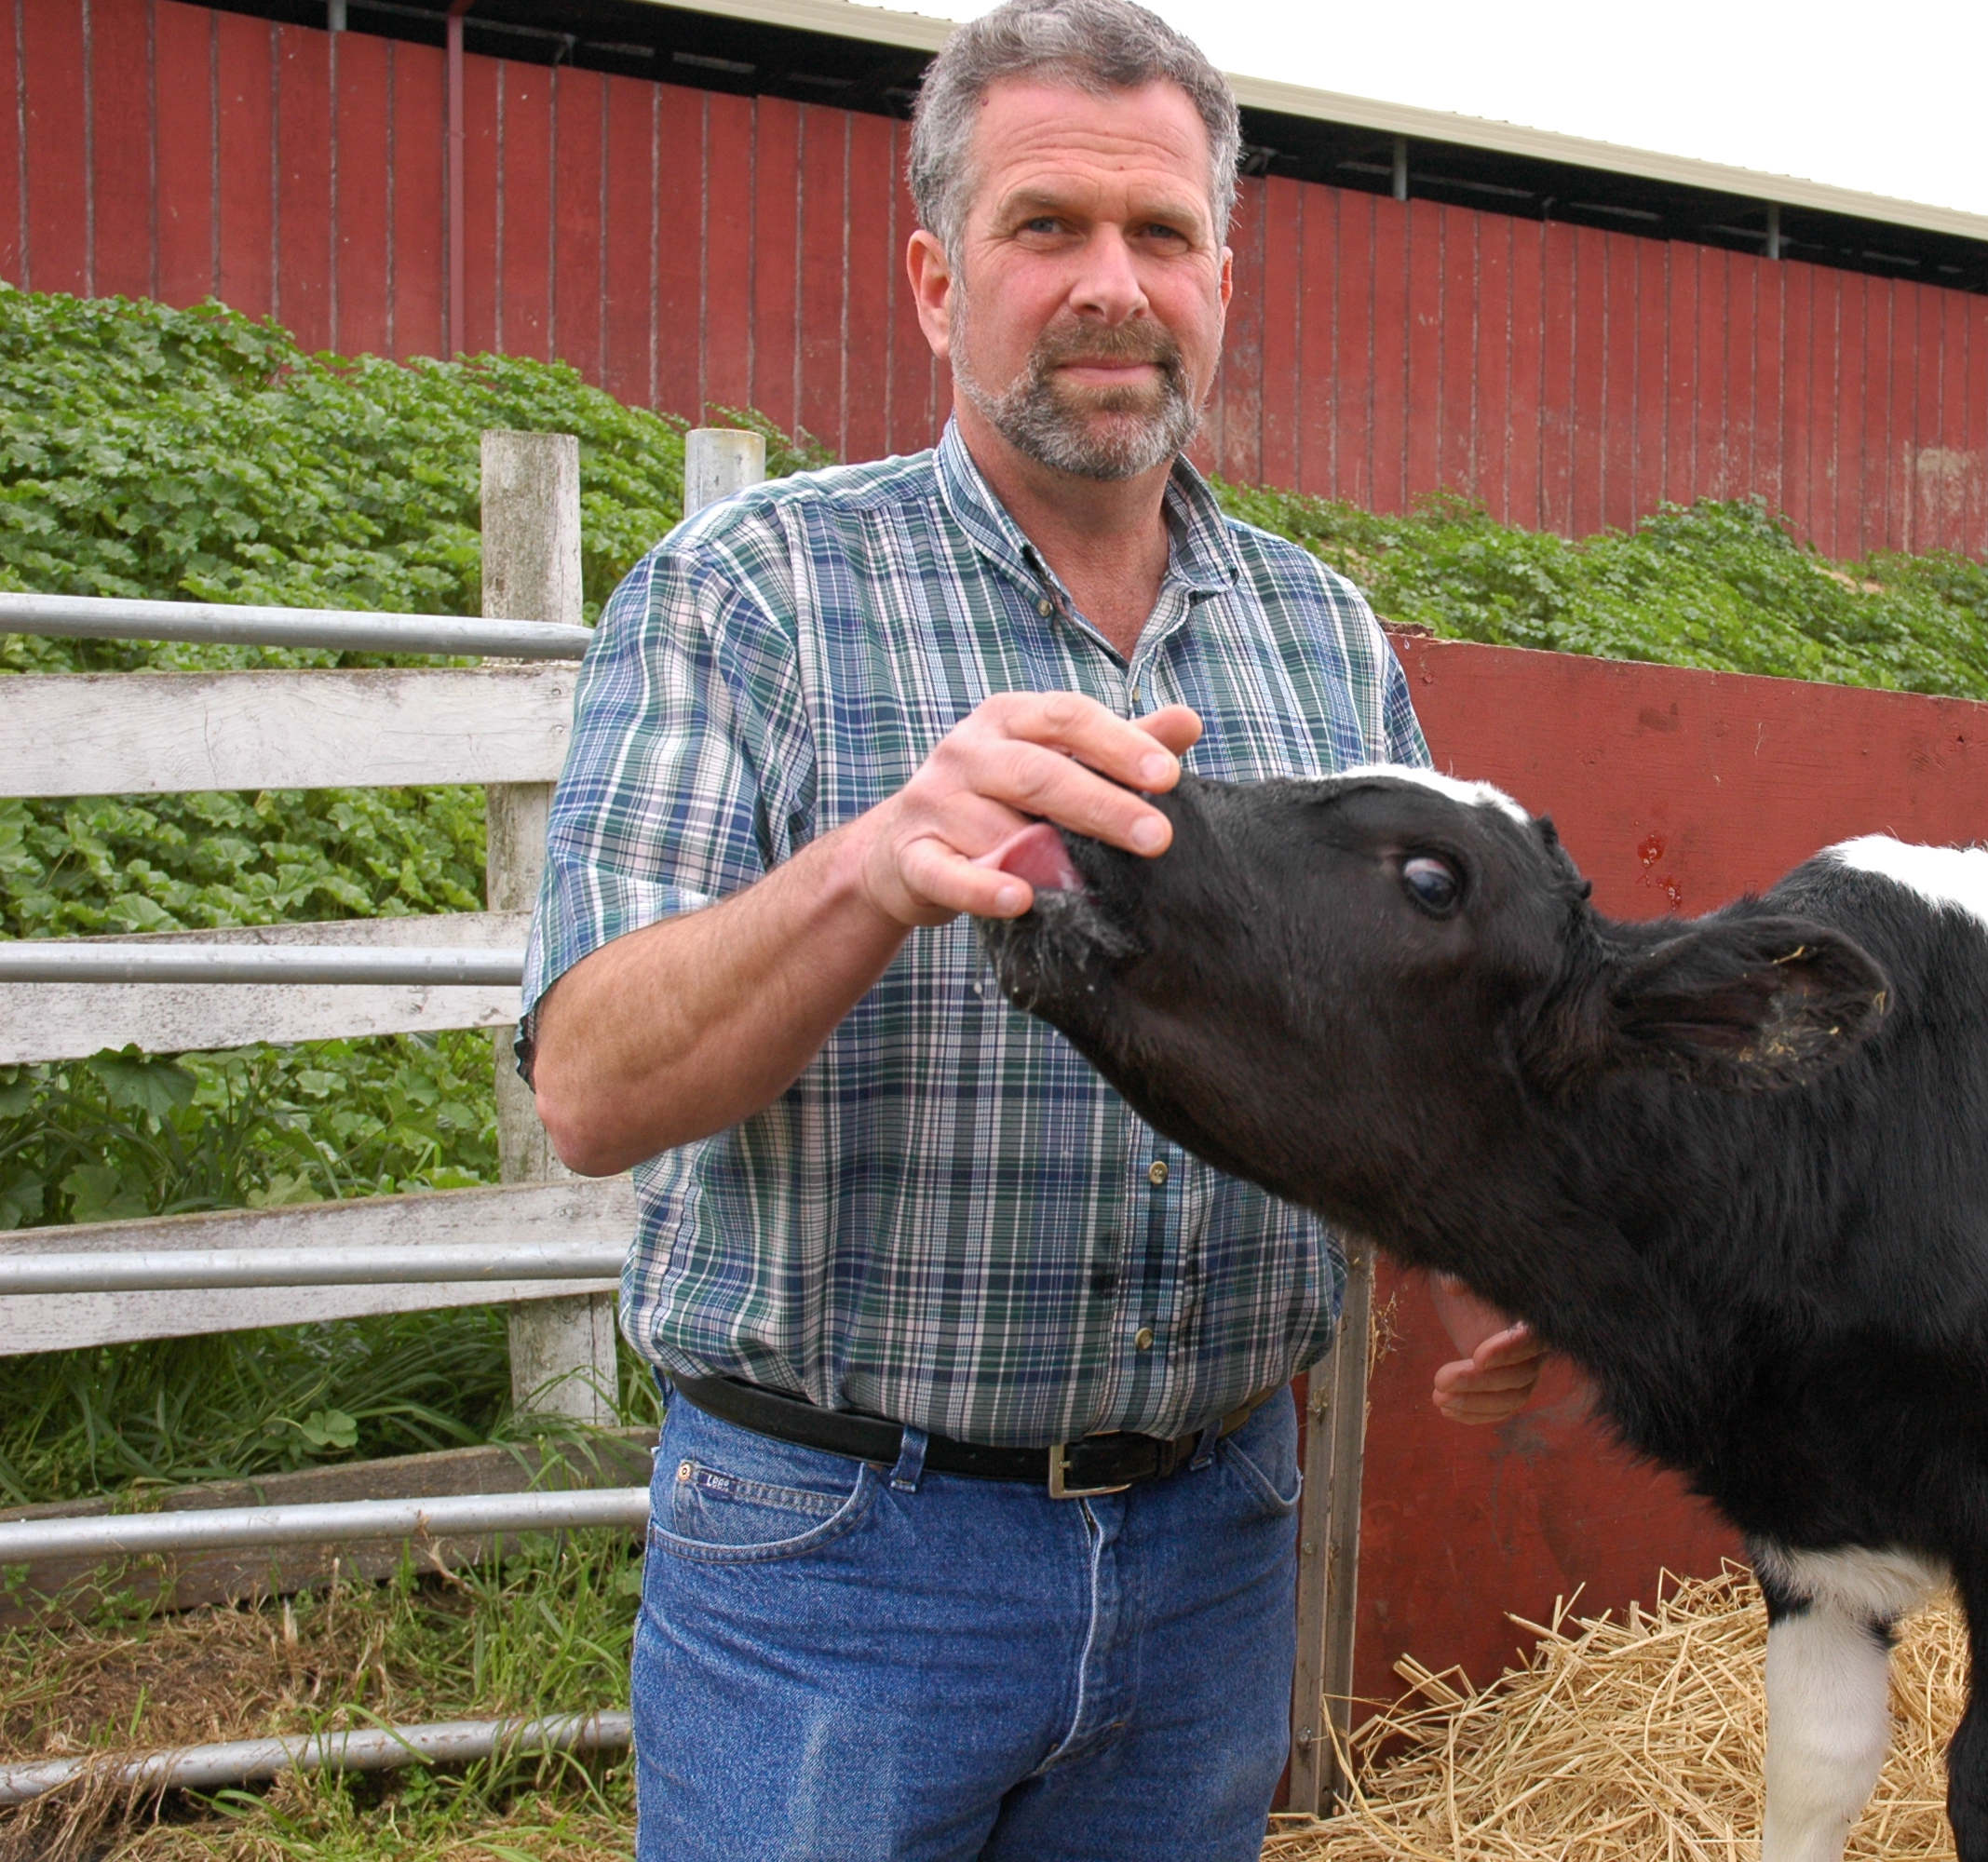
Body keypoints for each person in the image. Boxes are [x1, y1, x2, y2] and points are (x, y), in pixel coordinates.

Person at [517, 3, 1545, 1855]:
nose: (1110, 286)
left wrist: (1488, 1267)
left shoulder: (1322, 640)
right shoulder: (750, 594)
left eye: (1160, 235)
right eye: (1044, 227)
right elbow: (588, 1084)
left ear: (1222, 274)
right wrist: (879, 856)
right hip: (840, 1557)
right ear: (934, 277)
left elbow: (1414, 1065)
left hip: (1215, 1542)